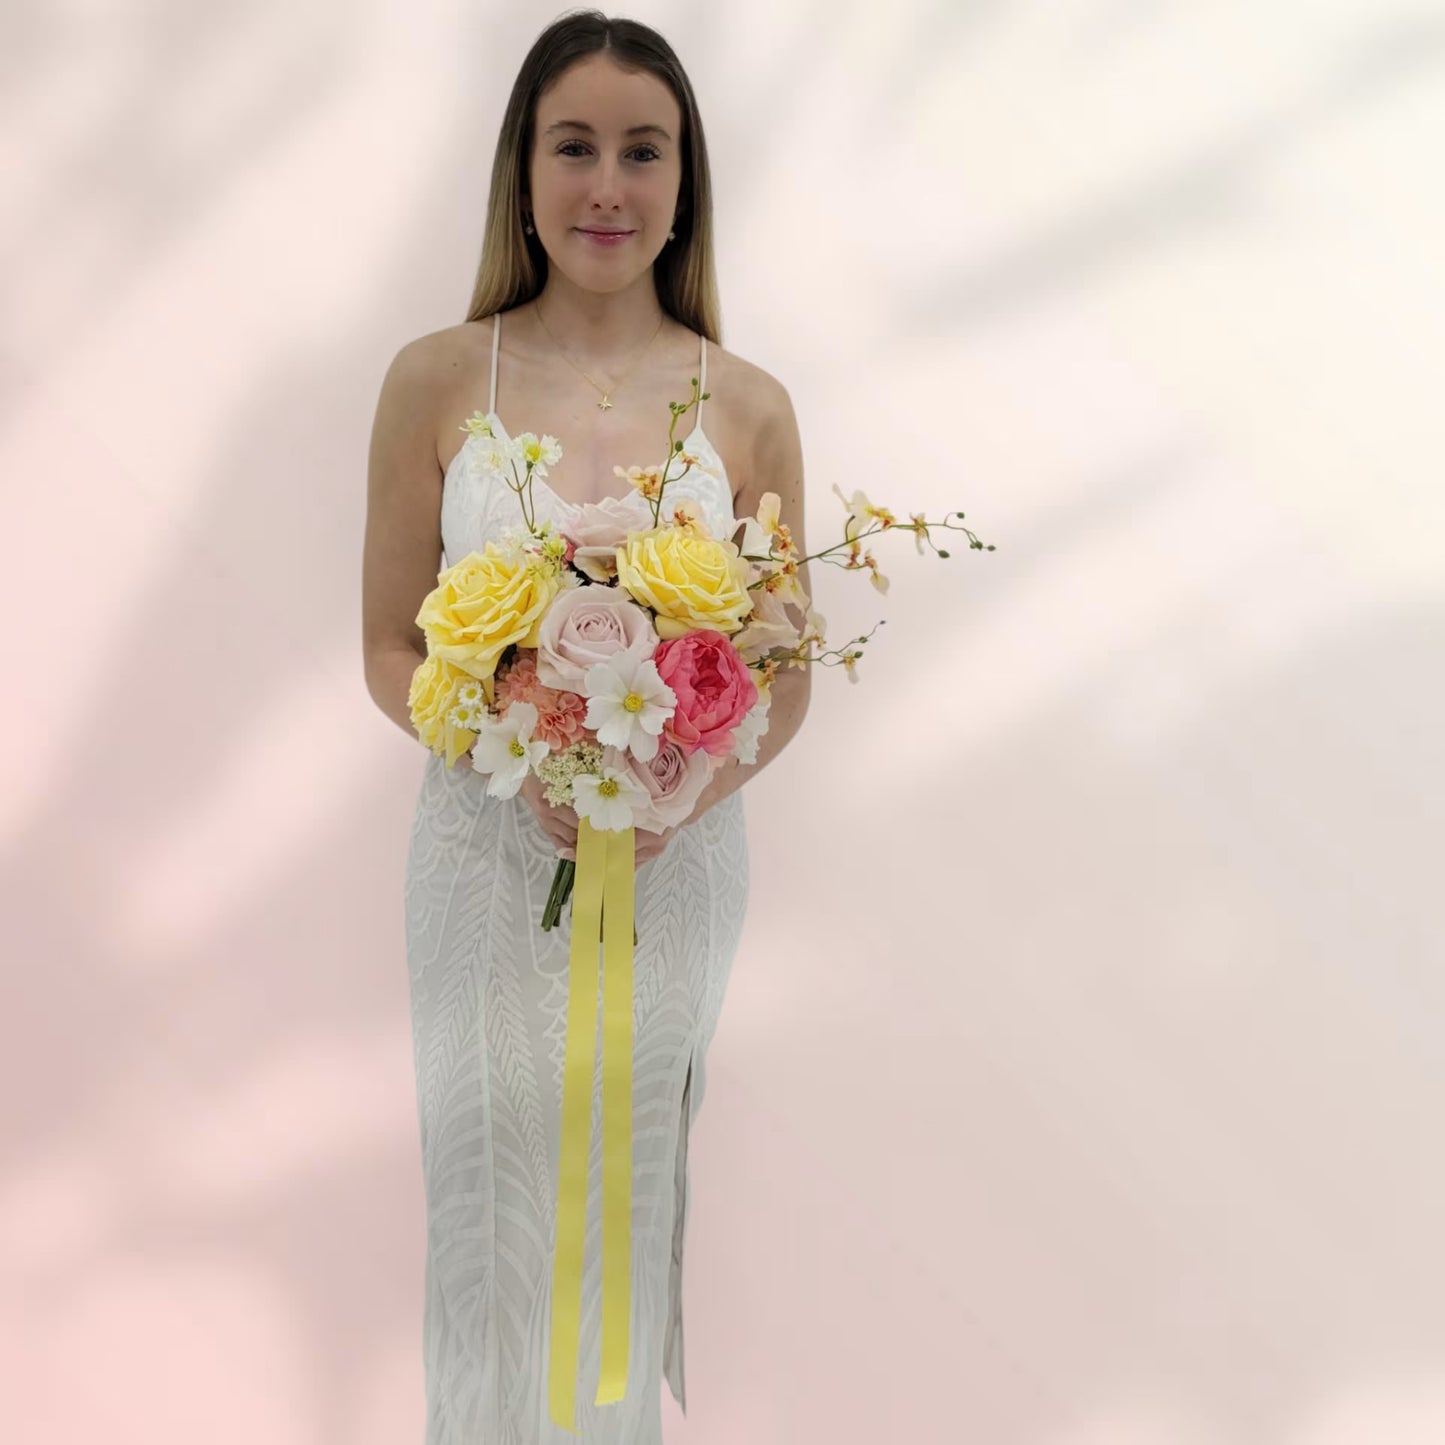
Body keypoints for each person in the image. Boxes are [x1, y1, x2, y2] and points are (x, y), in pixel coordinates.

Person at [360, 10, 811, 1442]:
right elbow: (387, 641)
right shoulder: (437, 378)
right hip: (481, 854)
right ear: (522, 167)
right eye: (574, 147)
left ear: (685, 181)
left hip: (678, 862)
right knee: (487, 1196)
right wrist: (516, 729)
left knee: (627, 1181)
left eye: (642, 150)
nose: (606, 186)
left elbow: (784, 666)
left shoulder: (746, 404)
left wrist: (683, 780)